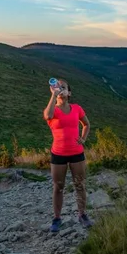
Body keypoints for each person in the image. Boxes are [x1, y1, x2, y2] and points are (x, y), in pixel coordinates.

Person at [43, 78, 93, 232]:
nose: (59, 89)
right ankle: (57, 218)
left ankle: (82, 215)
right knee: (58, 186)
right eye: (57, 87)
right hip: (58, 154)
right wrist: (53, 95)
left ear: (69, 93)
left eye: (63, 87)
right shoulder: (54, 109)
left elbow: (86, 124)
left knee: (80, 184)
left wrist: (83, 138)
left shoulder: (77, 108)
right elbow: (47, 116)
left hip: (77, 152)